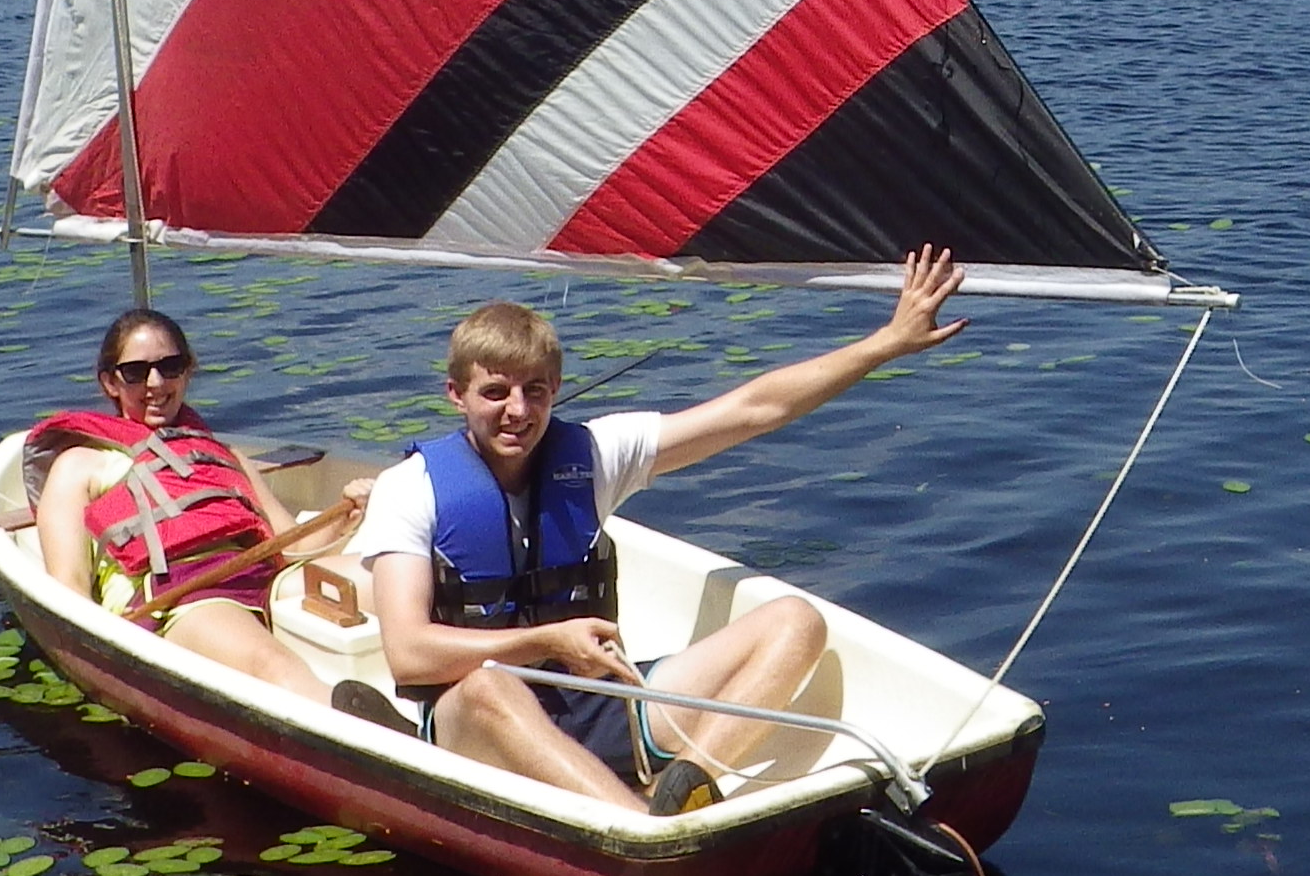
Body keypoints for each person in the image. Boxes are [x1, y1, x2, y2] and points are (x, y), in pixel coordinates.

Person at [357, 244, 966, 814]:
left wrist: (884, 344)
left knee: (795, 623)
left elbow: (755, 409)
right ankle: (645, 832)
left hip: (597, 698)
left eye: (534, 391)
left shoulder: (594, 455)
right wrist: (549, 641)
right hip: (477, 720)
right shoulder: (411, 488)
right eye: (495, 392)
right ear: (456, 395)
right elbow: (409, 655)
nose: (517, 410)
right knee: (493, 690)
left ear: (555, 392)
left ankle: (687, 787)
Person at [29, 307, 347, 707]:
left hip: (265, 577)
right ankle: (378, 732)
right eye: (135, 372)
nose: (155, 383)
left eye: (170, 366)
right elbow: (68, 590)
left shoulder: (220, 455)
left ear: (188, 370)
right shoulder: (79, 466)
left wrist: (351, 511)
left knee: (380, 578)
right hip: (184, 596)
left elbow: (294, 546)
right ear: (110, 382)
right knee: (273, 666)